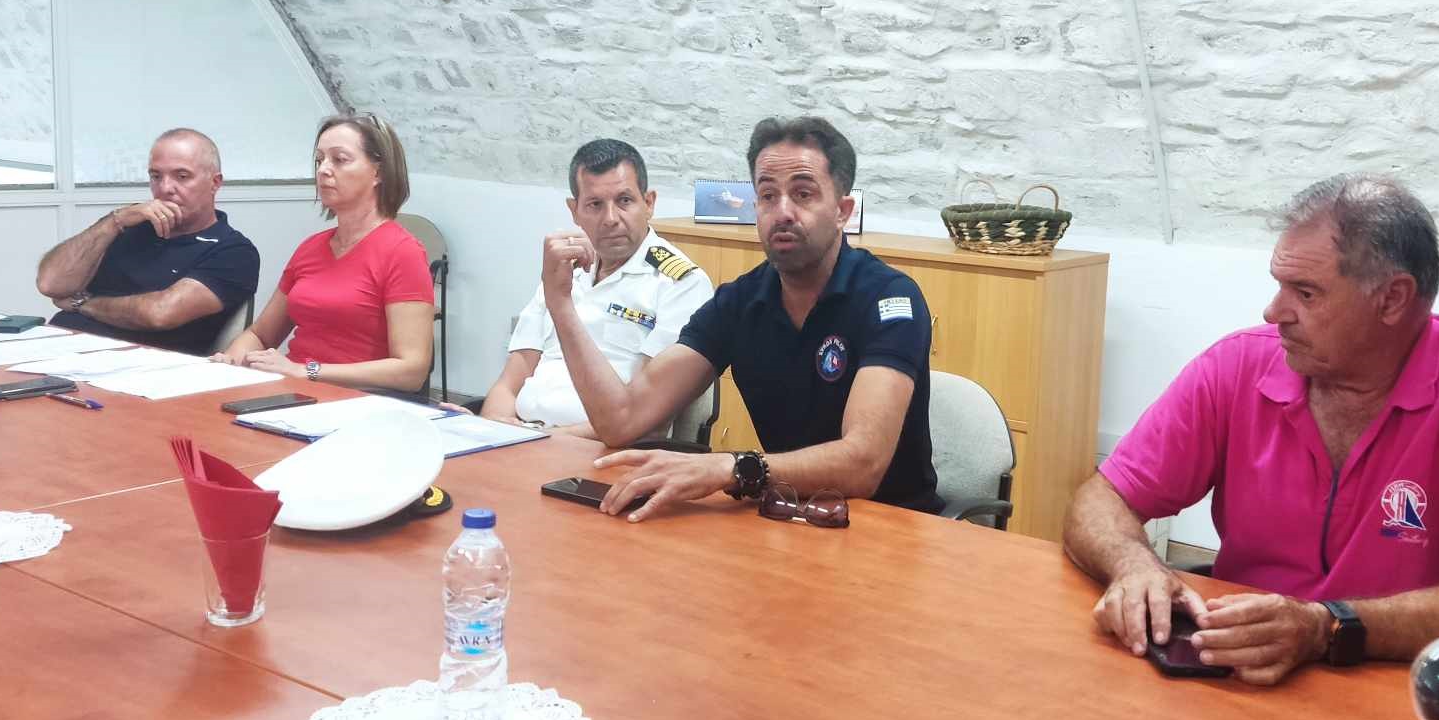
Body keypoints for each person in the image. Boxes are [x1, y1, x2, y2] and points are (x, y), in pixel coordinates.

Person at [1063, 174, 1439, 686]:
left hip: (1408, 685)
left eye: (1305, 292)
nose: (1274, 312)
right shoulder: (1238, 366)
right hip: (1243, 679)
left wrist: (1326, 627)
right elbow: (1100, 499)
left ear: (1392, 299)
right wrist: (1134, 564)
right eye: (1279, 285)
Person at [547, 116, 942, 522]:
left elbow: (863, 464)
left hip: (892, 523)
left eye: (803, 194)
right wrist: (560, 304)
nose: (782, 211)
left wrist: (730, 467)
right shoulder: (739, 302)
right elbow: (622, 421)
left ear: (842, 211)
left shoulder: (889, 298)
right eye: (768, 195)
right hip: (788, 515)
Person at [480, 139, 714, 438]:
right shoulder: (565, 270)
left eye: (624, 201)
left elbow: (645, 420)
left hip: (604, 450)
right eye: (595, 205)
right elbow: (508, 384)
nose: (611, 219)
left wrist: (537, 440)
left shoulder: (680, 284)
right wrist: (492, 426)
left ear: (649, 203)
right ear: (574, 210)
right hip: (523, 437)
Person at [212, 114, 434, 394]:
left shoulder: (403, 252)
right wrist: (230, 363)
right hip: (295, 391)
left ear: (378, 173)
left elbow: (411, 370)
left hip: (358, 400)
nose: (324, 170)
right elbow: (261, 334)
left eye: (339, 160)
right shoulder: (311, 247)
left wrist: (308, 371)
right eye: (319, 160)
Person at [35, 129, 259, 354]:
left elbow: (159, 314)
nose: (165, 188)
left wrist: (83, 304)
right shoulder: (127, 225)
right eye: (156, 176)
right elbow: (50, 284)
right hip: (56, 347)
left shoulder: (234, 252)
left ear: (215, 182)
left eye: (182, 176)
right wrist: (114, 221)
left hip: (132, 364)